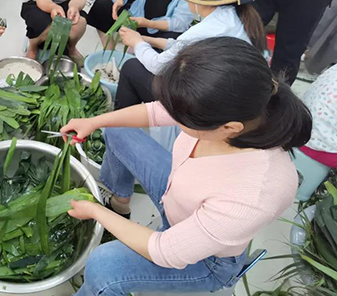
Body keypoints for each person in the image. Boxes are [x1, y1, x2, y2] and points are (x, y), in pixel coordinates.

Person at [61, 36, 312, 295]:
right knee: (117, 130)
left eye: (182, 120)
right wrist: (94, 122)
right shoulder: (227, 105)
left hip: (207, 260)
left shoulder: (257, 192)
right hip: (178, 194)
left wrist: (95, 211)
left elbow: (165, 251)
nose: (172, 118)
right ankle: (120, 204)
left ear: (229, 128)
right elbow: (155, 112)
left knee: (104, 266)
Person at [115, 0, 266, 109]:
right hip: (232, 97)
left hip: (207, 106)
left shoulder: (207, 29)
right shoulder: (235, 15)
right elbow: (184, 46)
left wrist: (138, 43)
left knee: (132, 68)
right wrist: (147, 40)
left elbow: (158, 66)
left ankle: (121, 123)